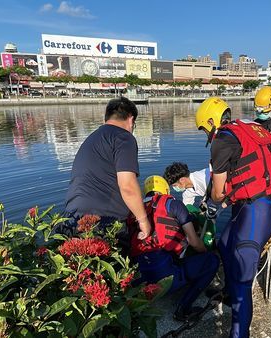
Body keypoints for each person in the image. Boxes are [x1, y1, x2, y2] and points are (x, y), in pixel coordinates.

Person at [196, 97, 271, 338]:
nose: (206, 134)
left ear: (210, 121)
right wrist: (224, 201)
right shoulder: (244, 129)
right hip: (253, 207)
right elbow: (242, 179)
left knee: (242, 284)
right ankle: (228, 290)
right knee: (225, 244)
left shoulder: (222, 140)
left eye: (205, 129)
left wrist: (214, 204)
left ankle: (239, 333)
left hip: (254, 216)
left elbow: (217, 191)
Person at [128, 175, 219, 321]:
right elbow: (193, 241)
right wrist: (206, 252)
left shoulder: (133, 212)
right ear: (165, 189)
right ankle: (183, 309)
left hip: (141, 280)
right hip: (165, 279)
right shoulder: (173, 204)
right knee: (212, 260)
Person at [63, 97, 151, 240]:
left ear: (107, 118)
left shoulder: (92, 138)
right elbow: (127, 185)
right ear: (131, 119)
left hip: (70, 219)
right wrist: (143, 220)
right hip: (103, 222)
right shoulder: (124, 137)